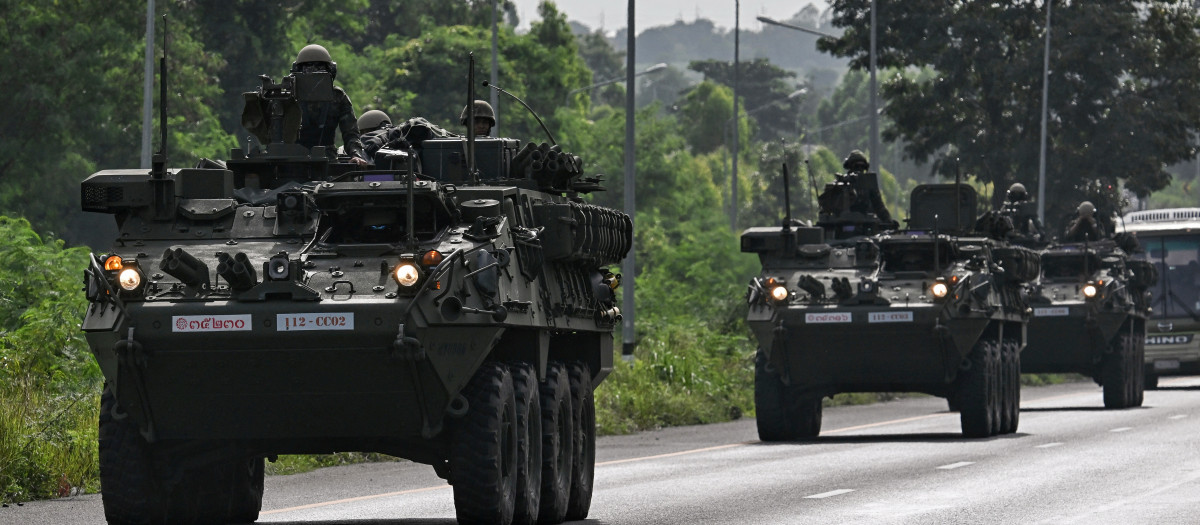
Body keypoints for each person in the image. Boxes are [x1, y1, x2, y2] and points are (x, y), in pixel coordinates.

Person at [290, 44, 367, 165]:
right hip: (292, 161)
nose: (314, 72)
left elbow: (350, 132)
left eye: (319, 68)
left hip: (327, 161)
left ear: (330, 71)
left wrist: (355, 154)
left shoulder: (338, 96)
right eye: (308, 68)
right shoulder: (289, 96)